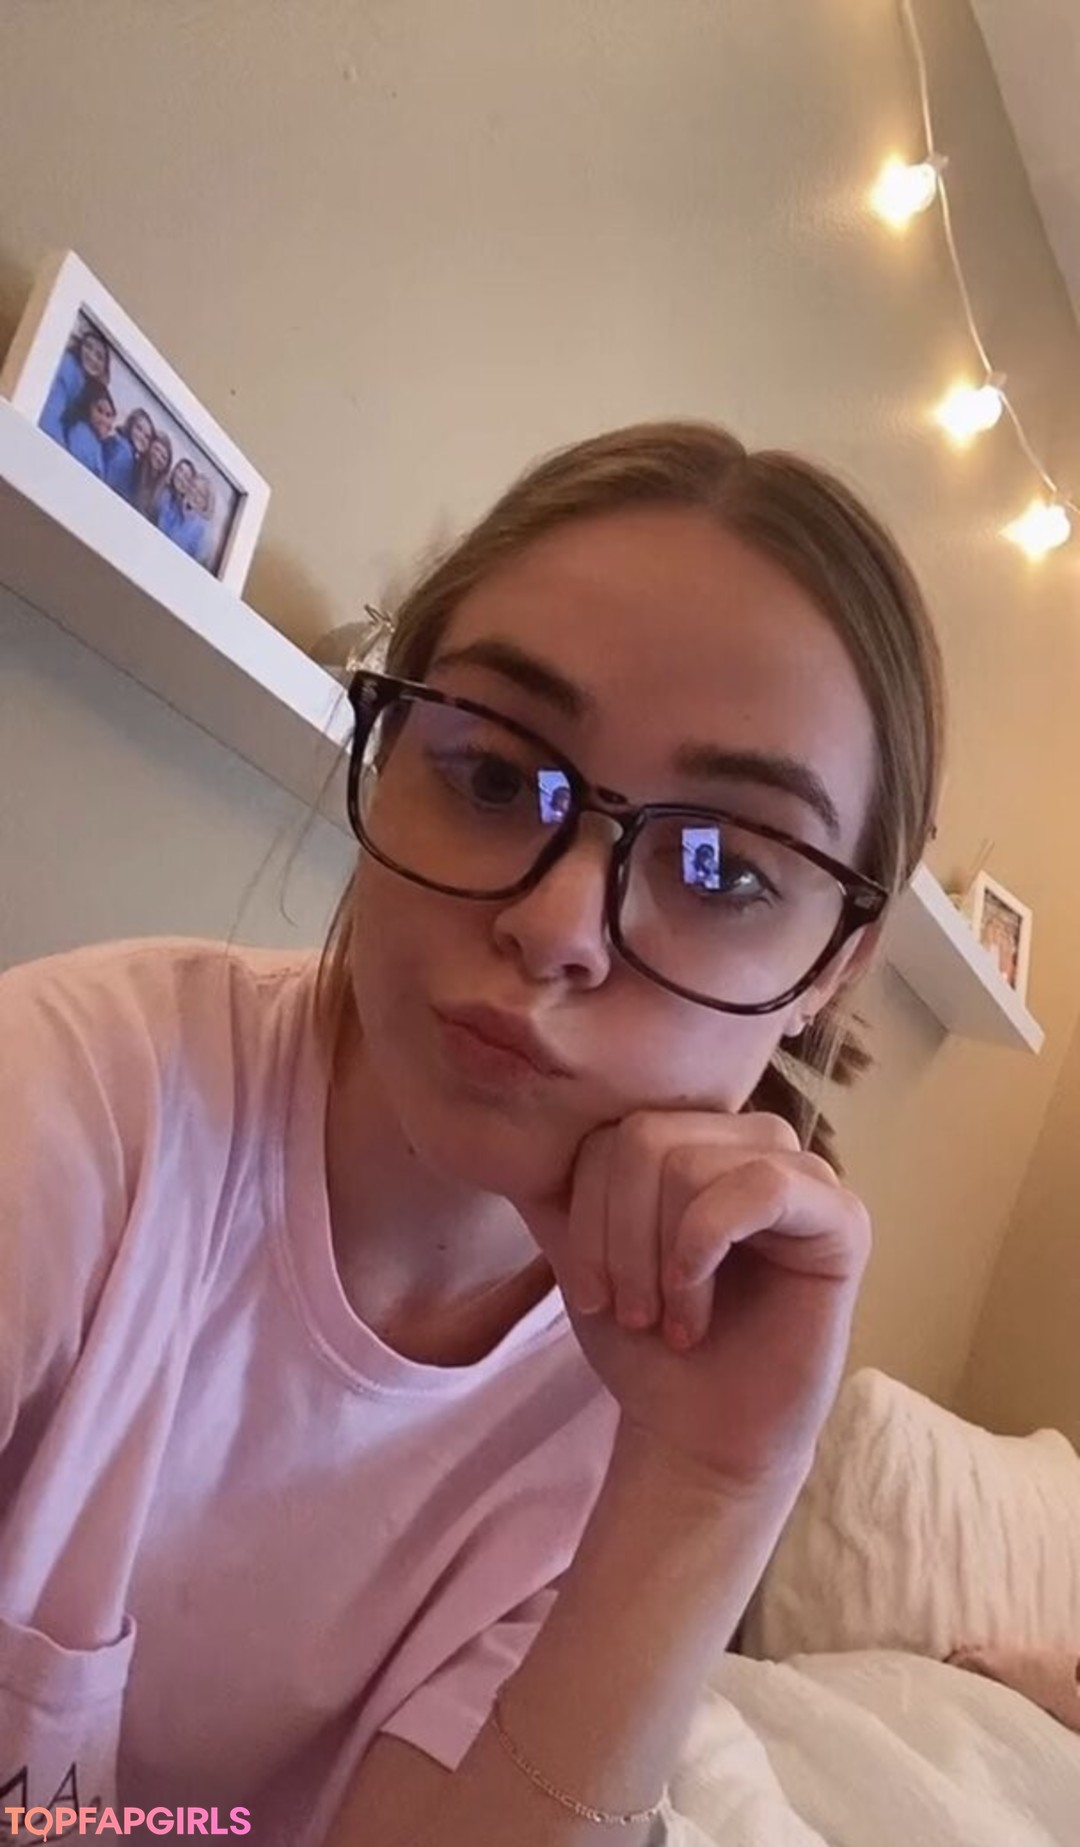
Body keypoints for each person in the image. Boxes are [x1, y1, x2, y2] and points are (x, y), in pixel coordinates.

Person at [0, 422, 944, 1844]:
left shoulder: (674, 1391)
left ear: (833, 965)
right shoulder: (84, 1097)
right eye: (498, 774)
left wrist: (712, 1486)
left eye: (719, 865)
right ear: (390, 750)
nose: (557, 924)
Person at [38, 325, 111, 446]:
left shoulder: (89, 389)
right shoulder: (68, 368)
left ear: (104, 367)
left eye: (99, 356)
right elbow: (48, 418)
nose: (91, 357)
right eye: (88, 347)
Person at [63, 382, 117, 480]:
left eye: (108, 415)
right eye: (99, 410)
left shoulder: (97, 442)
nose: (103, 420)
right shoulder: (81, 433)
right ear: (88, 408)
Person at [104, 407, 155, 503]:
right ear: (130, 425)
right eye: (139, 428)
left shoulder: (128, 453)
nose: (141, 437)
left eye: (147, 436)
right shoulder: (124, 451)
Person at [133, 427, 173, 522]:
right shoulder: (134, 468)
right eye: (157, 449)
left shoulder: (163, 492)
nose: (158, 457)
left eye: (164, 457)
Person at [156, 457, 198, 543]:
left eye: (186, 477)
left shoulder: (186, 513)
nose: (181, 477)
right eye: (180, 470)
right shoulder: (160, 489)